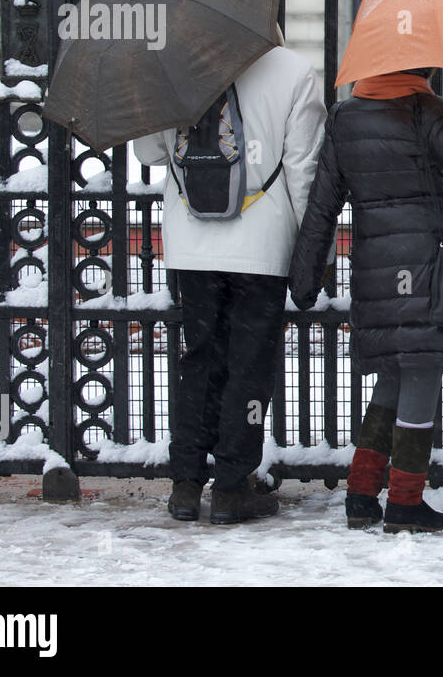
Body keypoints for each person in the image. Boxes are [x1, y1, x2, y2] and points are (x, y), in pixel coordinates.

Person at [289, 65, 443, 534]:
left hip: (375, 264)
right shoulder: (424, 108)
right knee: (421, 371)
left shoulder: (345, 116)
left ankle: (360, 494)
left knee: (395, 371)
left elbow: (323, 202)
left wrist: (305, 275)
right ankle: (405, 501)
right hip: (425, 264)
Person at [135, 35, 327, 525]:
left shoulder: (178, 65)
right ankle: (232, 484)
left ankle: (184, 484)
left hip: (191, 246)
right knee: (249, 364)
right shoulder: (294, 72)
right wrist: (311, 251)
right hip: (261, 250)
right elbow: (303, 170)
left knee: (199, 359)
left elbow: (151, 153)